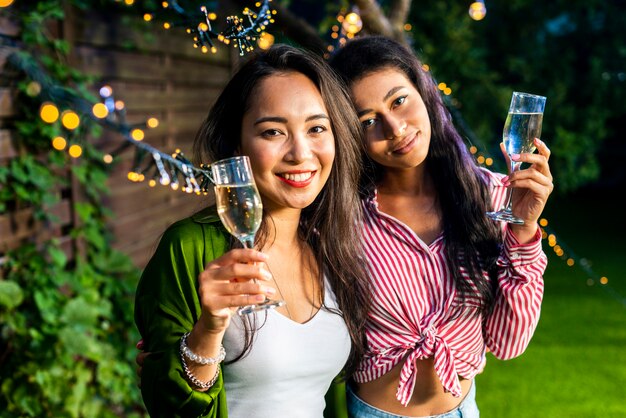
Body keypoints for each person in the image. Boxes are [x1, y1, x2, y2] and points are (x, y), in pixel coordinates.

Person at [134, 44, 371, 417]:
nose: (300, 153)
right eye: (273, 132)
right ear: (236, 143)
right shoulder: (190, 246)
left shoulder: (333, 245)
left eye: (317, 128)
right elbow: (167, 405)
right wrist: (209, 330)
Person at [329, 35, 553, 417]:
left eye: (399, 100)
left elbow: (508, 343)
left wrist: (525, 230)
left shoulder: (493, 197)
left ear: (424, 92)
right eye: (368, 121)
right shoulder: (342, 218)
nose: (395, 128)